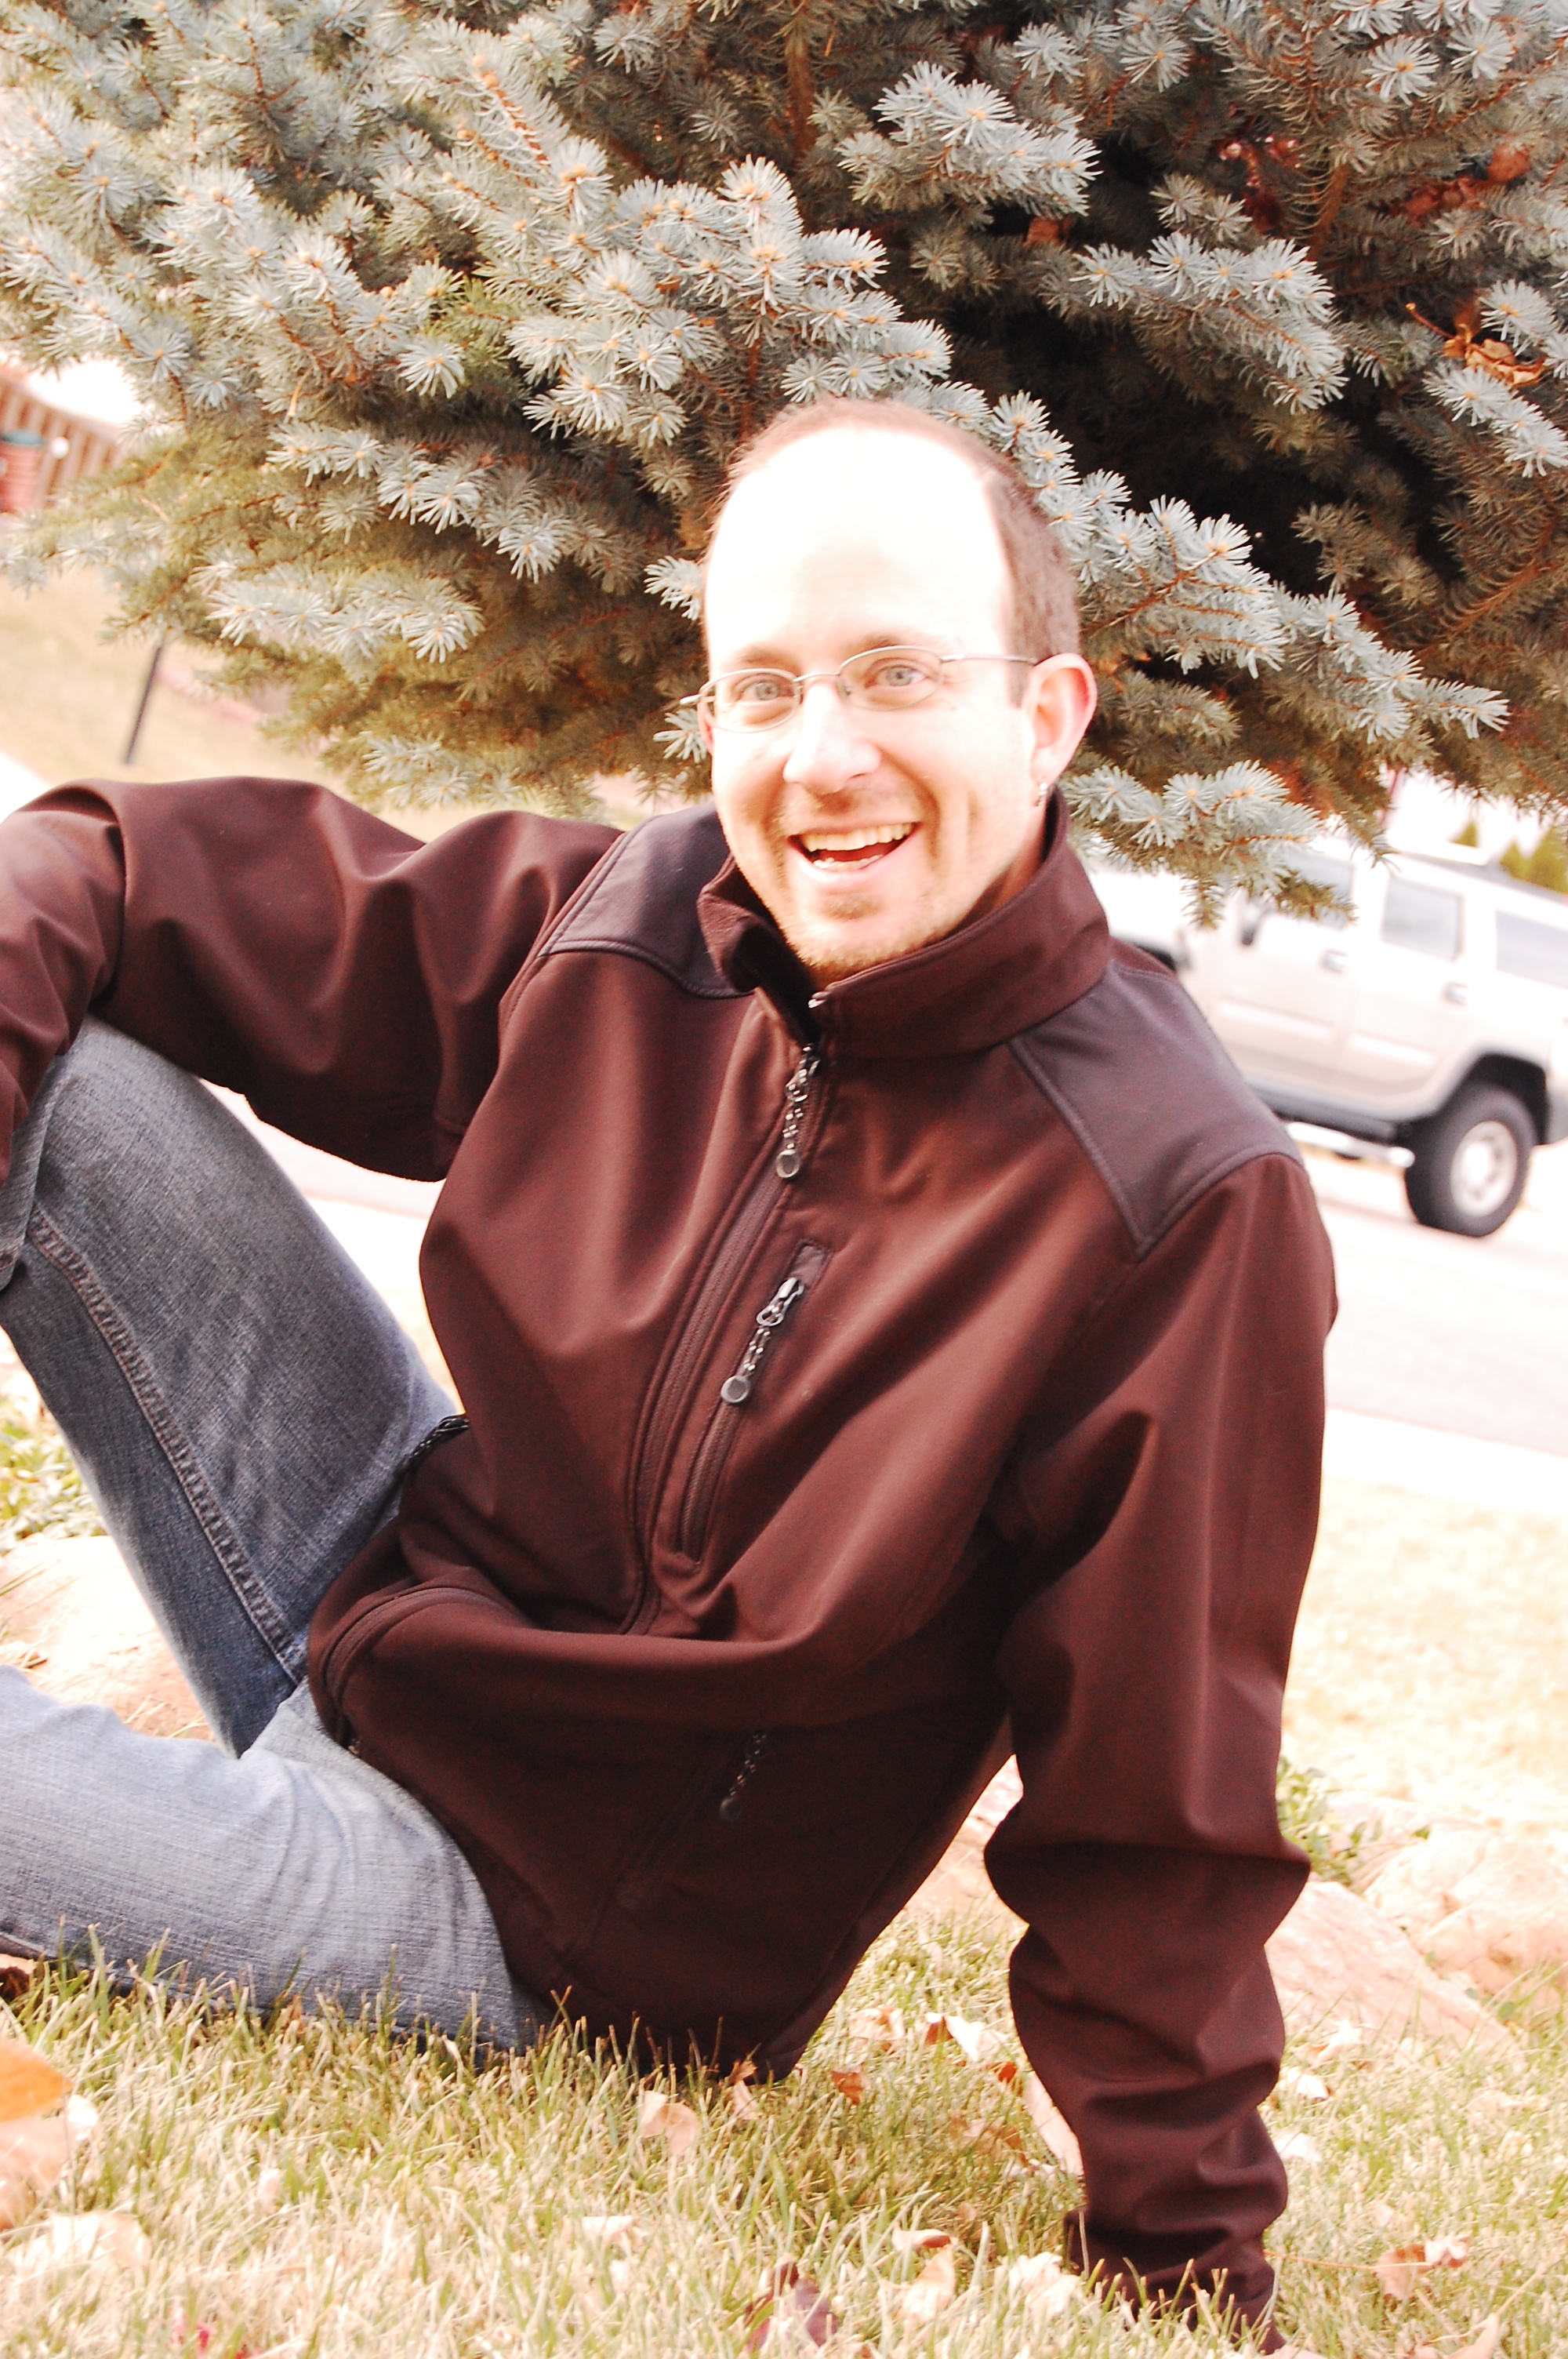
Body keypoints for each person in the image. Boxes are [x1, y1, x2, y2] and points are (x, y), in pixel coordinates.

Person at [0, 398, 1334, 2343]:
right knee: (72, 1061)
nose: (822, 756)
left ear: (1047, 715)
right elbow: (105, 865)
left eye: (898, 674)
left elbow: (1157, 1801)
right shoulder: (652, 918)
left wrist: (1185, 2261)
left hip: (539, 1927)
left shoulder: (1172, 1203)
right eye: (765, 688)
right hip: (386, 1622)